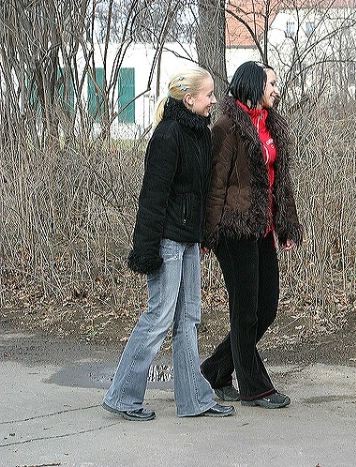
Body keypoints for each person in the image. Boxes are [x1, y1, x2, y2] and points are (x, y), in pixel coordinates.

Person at [102, 67, 234, 421]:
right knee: (159, 317)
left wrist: (203, 236)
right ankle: (123, 396)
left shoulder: (199, 135)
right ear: (188, 99)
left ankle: (194, 399)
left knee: (189, 317)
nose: (213, 100)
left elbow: (200, 193)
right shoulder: (168, 135)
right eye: (208, 94)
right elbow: (152, 198)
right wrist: (146, 250)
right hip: (166, 242)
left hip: (188, 242)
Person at [200, 61, 303, 409]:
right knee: (245, 312)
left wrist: (285, 225)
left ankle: (214, 371)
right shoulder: (227, 127)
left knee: (266, 308)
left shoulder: (270, 124)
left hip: (261, 229)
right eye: (271, 83)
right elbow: (213, 186)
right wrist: (207, 235)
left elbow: (280, 183)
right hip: (233, 230)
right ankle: (255, 387)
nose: (277, 89)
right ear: (253, 84)